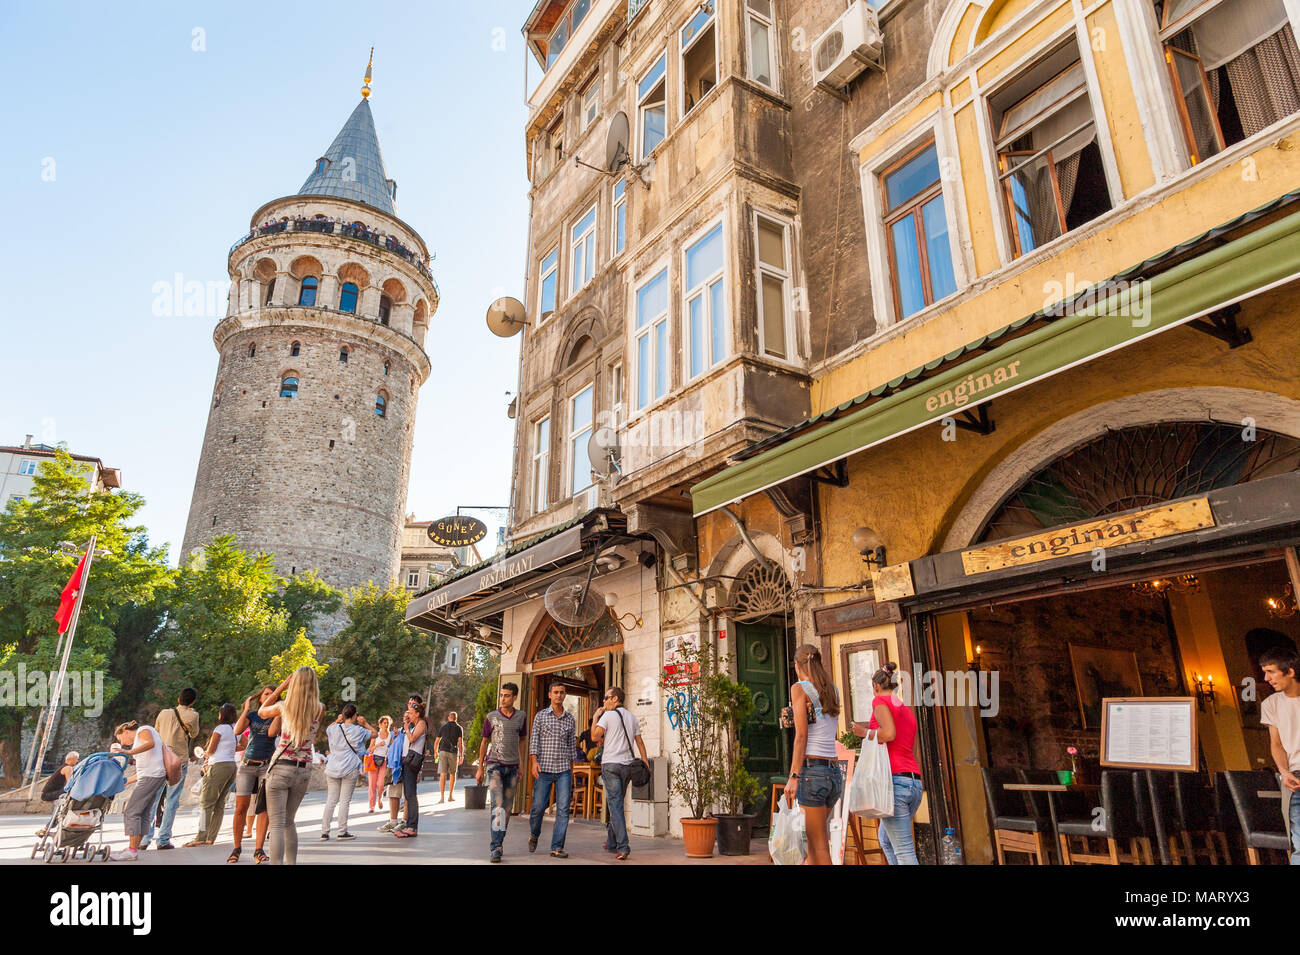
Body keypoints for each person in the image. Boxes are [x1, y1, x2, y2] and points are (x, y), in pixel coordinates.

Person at [851, 660, 923, 865]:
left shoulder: (879, 702)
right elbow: (907, 745)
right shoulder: (905, 709)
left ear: (876, 687)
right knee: (886, 840)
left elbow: (889, 734)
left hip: (895, 784)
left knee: (904, 852)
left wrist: (864, 732)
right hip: (914, 783)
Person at [783, 644, 844, 866]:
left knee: (819, 847)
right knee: (813, 847)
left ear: (797, 666)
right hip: (834, 775)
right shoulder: (832, 690)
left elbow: (801, 736)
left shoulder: (799, 688)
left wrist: (793, 776)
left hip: (813, 774)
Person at [258, 667, 325, 865]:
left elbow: (261, 712)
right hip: (303, 769)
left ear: (294, 684)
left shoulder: (283, 706)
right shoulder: (320, 708)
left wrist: (280, 688)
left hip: (280, 767)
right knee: (289, 821)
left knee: (277, 824)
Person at [590, 686, 648, 861]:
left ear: (615, 699)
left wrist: (595, 717)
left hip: (611, 766)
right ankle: (612, 841)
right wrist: (645, 762)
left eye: (606, 698)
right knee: (615, 804)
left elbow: (594, 737)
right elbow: (640, 742)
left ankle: (623, 846)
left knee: (615, 806)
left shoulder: (607, 716)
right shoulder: (632, 717)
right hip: (627, 767)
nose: (604, 701)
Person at [475, 682, 527, 862]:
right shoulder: (491, 717)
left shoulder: (521, 716)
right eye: (501, 695)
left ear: (514, 697)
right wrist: (480, 768)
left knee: (507, 808)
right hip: (494, 765)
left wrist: (522, 765)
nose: (502, 698)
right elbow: (484, 742)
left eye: (506, 695)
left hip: (513, 768)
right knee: (497, 805)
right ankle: (495, 846)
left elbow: (522, 741)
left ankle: (499, 841)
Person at [143, 687, 199, 850]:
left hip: (160, 759)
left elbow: (156, 732)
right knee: (172, 800)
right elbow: (194, 734)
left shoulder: (163, 713)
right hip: (178, 761)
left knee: (153, 800)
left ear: (178, 699)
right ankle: (163, 839)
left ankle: (145, 839)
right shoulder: (193, 715)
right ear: (193, 702)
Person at [229, 686, 278, 864]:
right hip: (247, 766)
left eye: (273, 694)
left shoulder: (278, 716)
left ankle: (259, 849)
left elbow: (274, 733)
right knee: (241, 808)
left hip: (266, 766)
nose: (270, 696)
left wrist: (279, 712)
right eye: (266, 693)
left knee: (263, 808)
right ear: (260, 697)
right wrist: (246, 710)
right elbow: (237, 731)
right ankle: (236, 848)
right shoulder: (252, 715)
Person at [108, 721, 169, 862]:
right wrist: (124, 781)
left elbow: (150, 743)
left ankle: (132, 851)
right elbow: (143, 769)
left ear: (125, 731)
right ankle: (134, 848)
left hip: (151, 776)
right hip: (151, 776)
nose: (122, 743)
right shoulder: (140, 738)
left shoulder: (144, 730)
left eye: (120, 739)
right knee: (143, 812)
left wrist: (127, 752)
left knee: (132, 811)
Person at [1261, 646, 1300, 864]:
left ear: (1290, 672)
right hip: (1294, 780)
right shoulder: (1271, 704)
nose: (1266, 678)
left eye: (1271, 672)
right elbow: (1276, 744)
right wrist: (1284, 772)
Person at [528, 682, 576, 858]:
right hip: (544, 768)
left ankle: (557, 846)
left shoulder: (570, 719)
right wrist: (534, 762)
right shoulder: (540, 716)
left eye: (562, 692)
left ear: (565, 695)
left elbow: (572, 747)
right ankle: (534, 834)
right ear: (550, 695)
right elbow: (534, 741)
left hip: (563, 769)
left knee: (563, 809)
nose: (559, 695)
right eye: (555, 692)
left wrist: (571, 772)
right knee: (538, 807)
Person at [186, 703, 239, 847]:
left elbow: (211, 749)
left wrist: (204, 754)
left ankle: (201, 836)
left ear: (221, 715)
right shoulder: (236, 729)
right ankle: (211, 837)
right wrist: (229, 748)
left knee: (206, 803)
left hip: (218, 766)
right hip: (231, 766)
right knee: (219, 803)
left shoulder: (220, 728)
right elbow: (244, 744)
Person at [322, 703, 373, 840]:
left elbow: (328, 729)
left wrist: (338, 721)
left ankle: (324, 832)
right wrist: (365, 723)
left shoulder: (334, 729)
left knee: (331, 800)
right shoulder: (358, 730)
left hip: (332, 767)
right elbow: (375, 734)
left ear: (343, 715)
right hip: (349, 767)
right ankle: (342, 831)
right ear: (355, 715)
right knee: (344, 800)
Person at [394, 697, 428, 838]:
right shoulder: (416, 724)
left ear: (417, 714)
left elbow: (413, 739)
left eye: (411, 713)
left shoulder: (421, 723)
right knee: (408, 794)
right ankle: (409, 825)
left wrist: (407, 729)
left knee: (411, 795)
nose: (409, 715)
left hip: (413, 761)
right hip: (409, 760)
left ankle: (413, 827)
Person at [378, 722, 407, 832]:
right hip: (394, 764)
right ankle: (393, 821)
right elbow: (388, 745)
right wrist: (394, 737)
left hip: (407, 765)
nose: (406, 720)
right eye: (404, 718)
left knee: (407, 795)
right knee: (393, 793)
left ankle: (404, 822)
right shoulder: (398, 732)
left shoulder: (415, 729)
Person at [435, 711, 464, 803]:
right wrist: (461, 756)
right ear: (456, 718)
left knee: (443, 774)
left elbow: (437, 741)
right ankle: (450, 795)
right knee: (452, 774)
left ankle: (442, 797)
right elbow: (460, 743)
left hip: (443, 751)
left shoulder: (443, 727)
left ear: (448, 718)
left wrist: (436, 752)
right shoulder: (459, 728)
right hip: (453, 752)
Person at [367, 715, 393, 813]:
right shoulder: (376, 735)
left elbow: (393, 747)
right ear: (380, 724)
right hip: (373, 760)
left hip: (383, 761)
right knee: (372, 785)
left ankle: (380, 799)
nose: (386, 725)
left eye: (387, 723)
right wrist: (378, 745)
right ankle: (371, 806)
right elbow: (370, 749)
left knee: (381, 784)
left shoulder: (390, 736)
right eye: (384, 723)